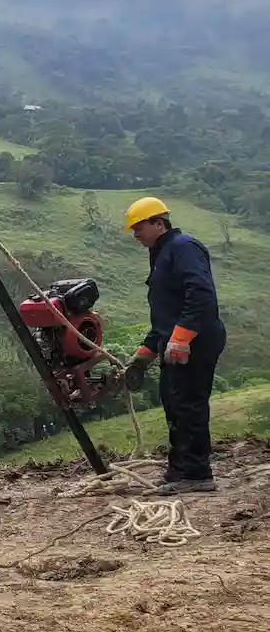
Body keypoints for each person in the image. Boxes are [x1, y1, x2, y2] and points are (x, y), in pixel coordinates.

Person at [123, 197, 227, 494]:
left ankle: (196, 475)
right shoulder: (162, 253)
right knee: (174, 402)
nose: (135, 234)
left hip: (197, 341)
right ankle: (180, 470)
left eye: (139, 227)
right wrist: (144, 354)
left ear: (159, 223)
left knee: (188, 405)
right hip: (177, 342)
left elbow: (201, 296)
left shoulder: (183, 247)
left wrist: (181, 338)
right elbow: (166, 313)